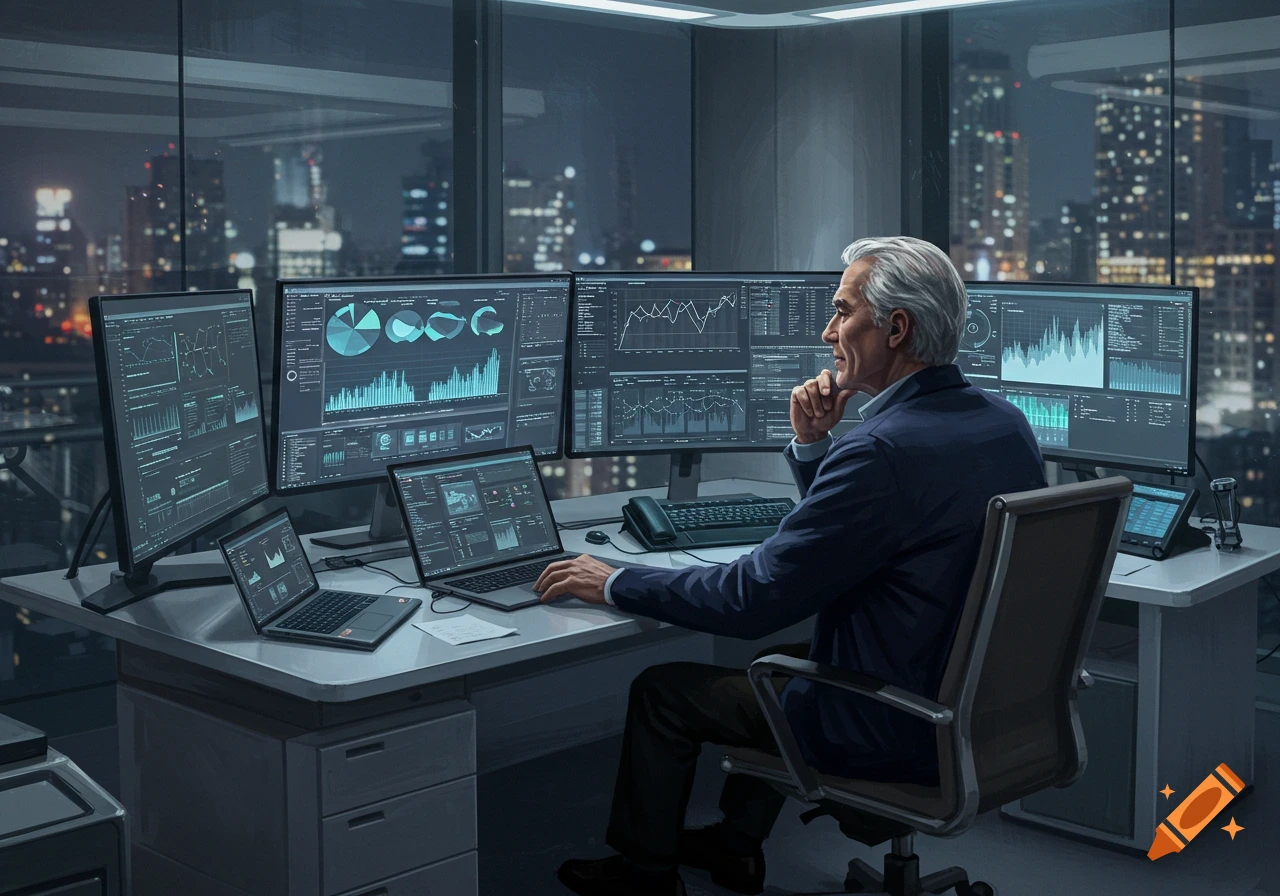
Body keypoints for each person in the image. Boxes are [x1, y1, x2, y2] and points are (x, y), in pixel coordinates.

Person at [534, 237, 1048, 896]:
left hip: (893, 724)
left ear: (896, 328)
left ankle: (645, 876)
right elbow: (864, 538)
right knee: (781, 661)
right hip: (971, 699)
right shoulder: (1005, 424)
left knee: (663, 691)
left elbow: (753, 600)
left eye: (842, 311)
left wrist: (617, 581)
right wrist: (814, 451)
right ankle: (735, 844)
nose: (828, 331)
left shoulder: (883, 450)